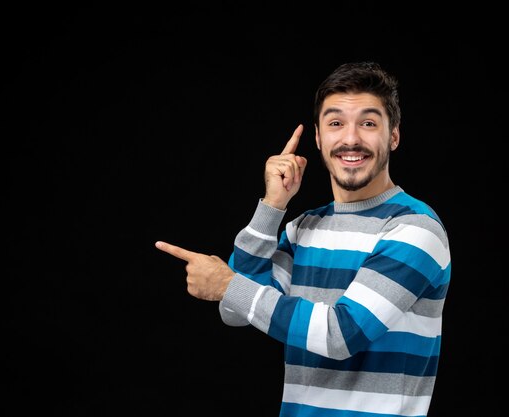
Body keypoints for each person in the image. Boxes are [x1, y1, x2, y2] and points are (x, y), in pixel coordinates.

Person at [155, 61, 451, 417]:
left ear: (394, 136)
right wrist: (272, 207)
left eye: (369, 123)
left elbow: (342, 334)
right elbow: (236, 312)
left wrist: (225, 283)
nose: (351, 138)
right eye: (336, 123)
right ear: (318, 137)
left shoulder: (415, 228)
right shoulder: (303, 229)